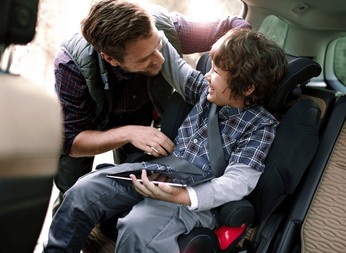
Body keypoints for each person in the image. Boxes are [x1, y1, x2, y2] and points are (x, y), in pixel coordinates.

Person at [39, 27, 288, 253]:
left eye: (216, 72)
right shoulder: (205, 91)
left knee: (137, 229)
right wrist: (146, 25)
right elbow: (174, 65)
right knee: (83, 191)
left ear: (246, 87)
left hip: (194, 195)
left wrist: (184, 195)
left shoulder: (260, 126)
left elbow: (238, 182)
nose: (207, 75)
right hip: (159, 172)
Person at [53, 0, 251, 212]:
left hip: (140, 113)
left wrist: (248, 76)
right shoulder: (71, 66)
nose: (160, 59)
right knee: (72, 193)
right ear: (110, 58)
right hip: (87, 127)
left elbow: (235, 26)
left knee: (130, 186)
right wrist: (129, 133)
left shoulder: (166, 27)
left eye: (158, 46)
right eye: (145, 58)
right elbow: (72, 142)